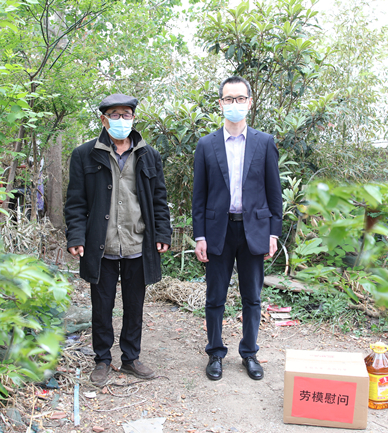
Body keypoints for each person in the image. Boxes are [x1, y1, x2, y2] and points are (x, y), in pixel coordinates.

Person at [65, 93, 172, 387]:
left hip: (138, 242)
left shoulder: (149, 155)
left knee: (134, 305)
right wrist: (76, 235)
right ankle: (102, 360)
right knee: (102, 306)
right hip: (102, 244)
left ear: (134, 118)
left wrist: (162, 232)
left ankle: (131, 358)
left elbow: (159, 199)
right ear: (104, 120)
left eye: (126, 115)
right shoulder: (85, 154)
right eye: (115, 115)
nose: (121, 120)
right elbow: (75, 202)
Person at [192, 76, 283, 381]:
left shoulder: (264, 142)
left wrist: (273, 232)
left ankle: (250, 353)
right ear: (221, 104)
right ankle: (215, 353)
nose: (235, 104)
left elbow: (274, 192)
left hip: (253, 230)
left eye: (240, 99)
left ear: (249, 102)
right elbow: (199, 196)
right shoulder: (206, 145)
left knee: (252, 297)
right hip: (218, 231)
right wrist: (200, 235)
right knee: (215, 297)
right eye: (229, 99)